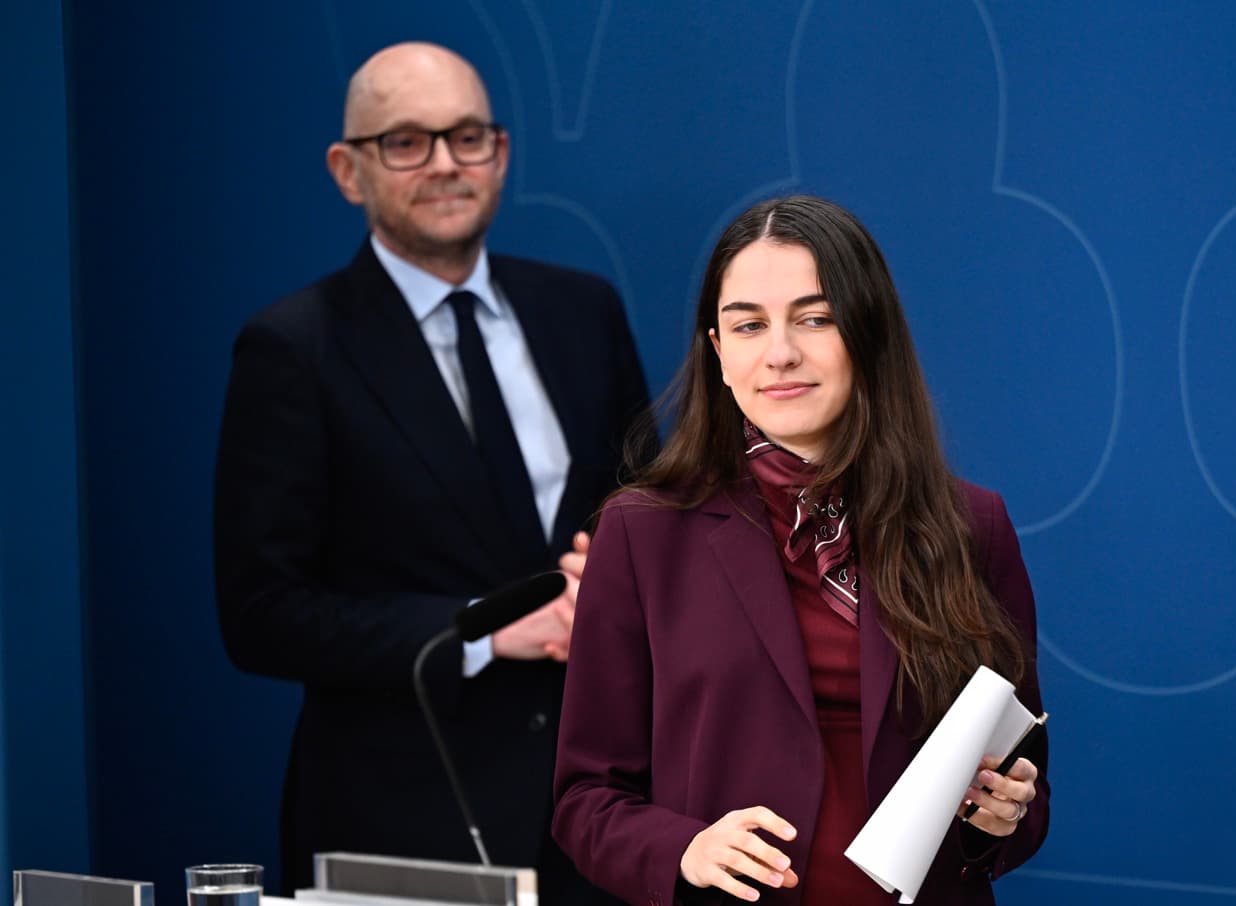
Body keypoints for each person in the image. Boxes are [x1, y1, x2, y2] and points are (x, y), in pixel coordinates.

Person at [213, 41, 652, 903]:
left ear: (502, 152)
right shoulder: (293, 348)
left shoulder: (583, 310)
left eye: (468, 137)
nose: (446, 164)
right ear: (349, 170)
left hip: (602, 805)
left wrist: (618, 576)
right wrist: (482, 632)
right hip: (405, 819)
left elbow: (646, 511)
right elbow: (260, 615)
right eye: (406, 142)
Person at [552, 196, 1048, 905]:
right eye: (748, 325)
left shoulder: (973, 525)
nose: (780, 352)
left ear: (867, 334)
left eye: (814, 318)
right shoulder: (641, 532)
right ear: (719, 354)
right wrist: (685, 848)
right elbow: (585, 799)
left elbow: (1023, 792)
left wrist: (1003, 816)